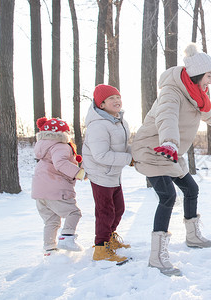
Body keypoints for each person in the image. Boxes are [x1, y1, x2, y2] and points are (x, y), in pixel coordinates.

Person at [131, 43, 211, 276]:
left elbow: (205, 111)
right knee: (168, 196)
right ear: (198, 74)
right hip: (153, 149)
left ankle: (192, 236)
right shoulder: (171, 92)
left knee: (191, 188)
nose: (210, 81)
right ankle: (156, 257)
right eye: (209, 76)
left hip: (170, 154)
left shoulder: (196, 94)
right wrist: (169, 140)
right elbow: (166, 117)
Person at [82, 84, 133, 265]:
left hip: (113, 173)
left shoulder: (120, 121)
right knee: (106, 212)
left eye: (118, 97)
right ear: (101, 104)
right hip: (100, 172)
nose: (117, 100)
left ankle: (109, 239)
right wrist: (128, 159)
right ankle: (101, 249)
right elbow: (101, 155)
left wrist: (136, 153)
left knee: (118, 209)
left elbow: (123, 146)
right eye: (111, 98)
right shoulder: (98, 125)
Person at [32, 117, 84, 256]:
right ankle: (66, 238)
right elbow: (60, 163)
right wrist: (79, 173)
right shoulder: (60, 145)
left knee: (51, 220)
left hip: (40, 192)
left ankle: (49, 248)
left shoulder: (43, 146)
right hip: (55, 189)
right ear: (64, 132)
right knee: (73, 213)